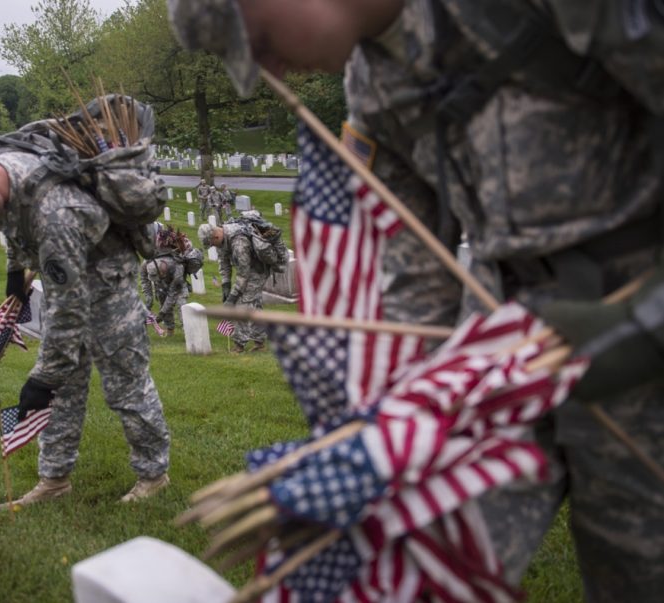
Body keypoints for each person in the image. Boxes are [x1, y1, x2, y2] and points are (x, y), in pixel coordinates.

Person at [169, 0, 664, 599]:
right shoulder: (372, 86)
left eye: (261, 40)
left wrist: (644, 321)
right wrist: (390, 426)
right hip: (500, 340)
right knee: (419, 540)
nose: (269, 68)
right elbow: (414, 279)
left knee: (639, 566)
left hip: (638, 316)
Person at [0, 141, 171, 506]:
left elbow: (70, 309)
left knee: (126, 386)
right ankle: (54, 479)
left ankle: (153, 475)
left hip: (107, 286)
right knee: (61, 391)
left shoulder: (56, 215)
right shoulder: (3, 166)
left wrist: (43, 377)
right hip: (63, 279)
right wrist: (14, 271)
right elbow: (13, 221)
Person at [198, 222, 268, 353]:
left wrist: (233, 296)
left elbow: (244, 273)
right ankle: (260, 342)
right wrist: (226, 284)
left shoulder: (239, 243)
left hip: (256, 271)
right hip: (247, 271)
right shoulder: (222, 241)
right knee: (255, 304)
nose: (213, 246)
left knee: (241, 305)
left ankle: (239, 346)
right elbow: (224, 262)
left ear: (216, 236)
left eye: (212, 243)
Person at [141, 255, 189, 336]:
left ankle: (188, 332)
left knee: (181, 305)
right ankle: (170, 330)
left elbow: (172, 294)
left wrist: (162, 313)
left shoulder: (176, 268)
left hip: (177, 285)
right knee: (162, 301)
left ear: (162, 271)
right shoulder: (145, 264)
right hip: (161, 285)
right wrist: (148, 296)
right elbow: (144, 280)